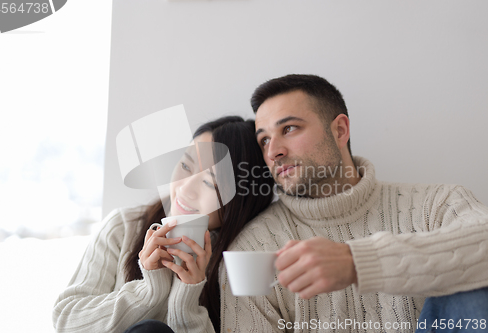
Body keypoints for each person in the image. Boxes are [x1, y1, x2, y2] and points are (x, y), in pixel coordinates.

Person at [217, 74, 488, 332]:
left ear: (340, 129)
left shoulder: (436, 205)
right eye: (264, 140)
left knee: (472, 283)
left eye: (289, 128)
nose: (274, 151)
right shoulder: (252, 249)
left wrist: (358, 262)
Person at [52, 116, 275, 333]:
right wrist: (148, 291)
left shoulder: (242, 258)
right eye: (186, 166)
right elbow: (66, 320)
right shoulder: (124, 227)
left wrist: (186, 299)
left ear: (240, 201)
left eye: (209, 182)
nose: (185, 188)